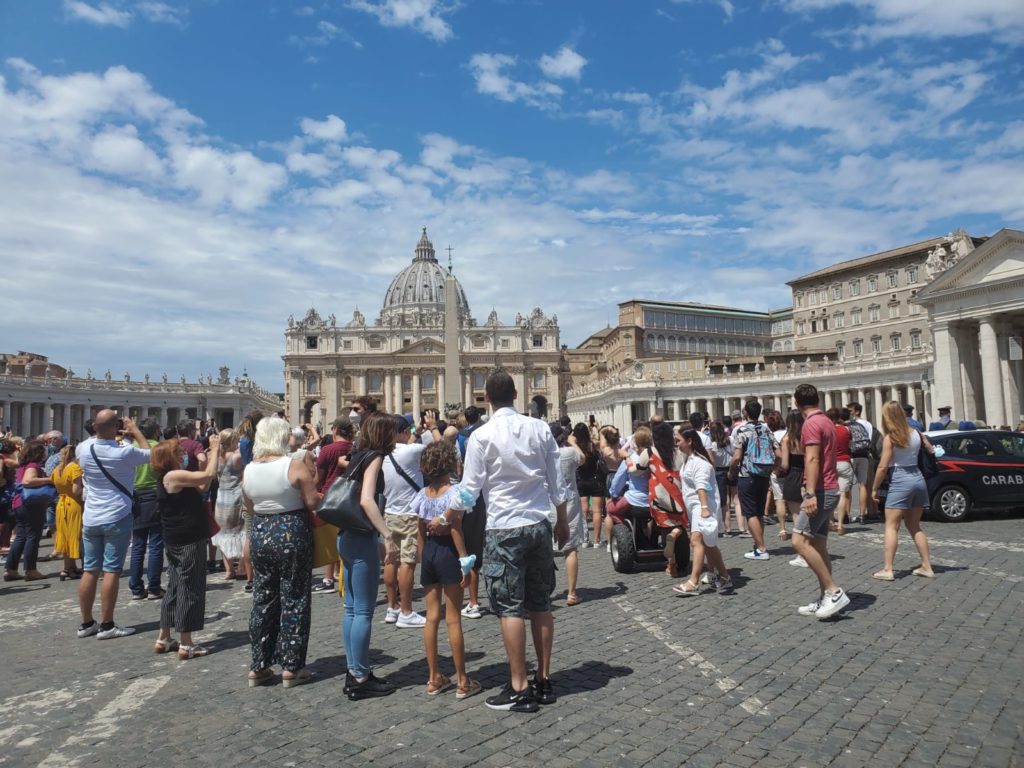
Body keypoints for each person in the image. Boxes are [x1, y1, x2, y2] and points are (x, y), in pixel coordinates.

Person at [443, 369, 568, 713]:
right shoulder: (541, 428)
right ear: (516, 394)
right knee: (540, 602)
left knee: (510, 607)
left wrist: (450, 515)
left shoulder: (482, 436)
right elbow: (557, 482)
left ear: (486, 398)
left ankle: (519, 686)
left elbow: (469, 491)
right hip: (539, 523)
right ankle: (543, 680)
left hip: (503, 528)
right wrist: (562, 522)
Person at [242, 416, 320, 687]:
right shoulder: (293, 465)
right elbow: (311, 502)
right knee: (295, 596)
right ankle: (291, 666)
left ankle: (259, 665)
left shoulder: (249, 469)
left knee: (263, 598)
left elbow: (250, 507)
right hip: (291, 530)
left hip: (261, 533)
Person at [337, 411, 400, 700]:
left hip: (346, 537)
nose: (397, 437)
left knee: (351, 609)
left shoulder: (358, 455)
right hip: (362, 539)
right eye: (393, 432)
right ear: (383, 434)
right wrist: (387, 535)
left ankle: (355, 670)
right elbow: (366, 500)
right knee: (362, 610)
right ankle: (360, 678)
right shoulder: (374, 457)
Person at [412, 441, 481, 699]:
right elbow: (455, 529)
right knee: (453, 618)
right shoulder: (455, 494)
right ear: (450, 463)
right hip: (449, 554)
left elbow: (419, 532)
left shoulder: (421, 495)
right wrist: (465, 562)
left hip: (429, 553)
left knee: (431, 617)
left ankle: (433, 678)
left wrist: (423, 559)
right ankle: (462, 680)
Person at [77, 412, 153, 639]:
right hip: (117, 515)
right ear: (115, 427)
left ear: (93, 426)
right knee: (111, 570)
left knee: (90, 569)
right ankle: (107, 625)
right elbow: (149, 452)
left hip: (90, 517)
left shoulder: (82, 449)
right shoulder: (125, 452)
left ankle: (86, 623)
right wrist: (135, 430)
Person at [150, 434, 221, 658]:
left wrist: (207, 461)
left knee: (175, 585)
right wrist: (216, 449)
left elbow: (202, 485)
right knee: (191, 587)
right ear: (169, 457)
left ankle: (164, 637)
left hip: (176, 537)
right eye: (179, 453)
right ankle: (186, 643)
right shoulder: (173, 475)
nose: (183, 455)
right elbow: (209, 474)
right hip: (188, 537)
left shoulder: (172, 477)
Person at [792, 385, 850, 619]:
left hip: (821, 490)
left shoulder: (811, 424)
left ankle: (833, 590)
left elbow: (813, 458)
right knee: (818, 545)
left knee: (799, 542)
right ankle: (825, 596)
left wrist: (810, 493)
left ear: (797, 403)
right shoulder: (826, 421)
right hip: (831, 487)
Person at [870, 401, 935, 581]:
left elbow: (883, 466)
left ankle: (888, 568)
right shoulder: (917, 433)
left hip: (900, 479)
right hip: (918, 478)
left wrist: (874, 488)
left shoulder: (891, 438)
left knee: (891, 526)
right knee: (915, 526)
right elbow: (931, 450)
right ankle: (927, 566)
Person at [672, 429, 731, 596]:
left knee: (696, 540)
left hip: (702, 506)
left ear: (689, 441)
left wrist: (704, 508)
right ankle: (725, 576)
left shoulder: (700, 463)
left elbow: (702, 486)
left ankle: (693, 582)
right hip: (695, 506)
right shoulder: (687, 460)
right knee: (709, 544)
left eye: (678, 440)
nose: (676, 444)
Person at [381, 414, 427, 628]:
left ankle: (392, 608)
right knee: (407, 563)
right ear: (402, 432)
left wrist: (413, 433)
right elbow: (440, 445)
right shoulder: (412, 451)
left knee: (391, 560)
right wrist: (430, 428)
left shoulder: (382, 454)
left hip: (389, 513)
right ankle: (407, 611)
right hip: (409, 515)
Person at [729, 400, 778, 561]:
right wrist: (776, 467)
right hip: (764, 474)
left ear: (745, 413)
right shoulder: (766, 429)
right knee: (758, 512)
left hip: (747, 474)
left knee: (750, 513)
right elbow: (778, 452)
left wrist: (731, 471)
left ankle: (762, 548)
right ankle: (758, 545)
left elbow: (737, 457)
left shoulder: (742, 430)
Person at [5, 439, 56, 581]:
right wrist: (48, 480)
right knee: (33, 536)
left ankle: (11, 568)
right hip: (30, 505)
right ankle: (30, 569)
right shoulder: (33, 465)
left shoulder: (22, 465)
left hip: (19, 503)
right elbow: (28, 481)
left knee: (21, 536)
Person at [128, 419, 164, 600]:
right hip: (154, 495)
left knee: (138, 544)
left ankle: (135, 587)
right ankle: (154, 587)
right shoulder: (158, 447)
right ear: (156, 431)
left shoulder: (130, 448)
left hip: (135, 496)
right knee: (156, 544)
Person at [550, 421, 585, 605]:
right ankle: (572, 593)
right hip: (569, 502)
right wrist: (573, 442)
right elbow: (583, 458)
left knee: (544, 550)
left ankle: (543, 593)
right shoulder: (570, 453)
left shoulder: (544, 455)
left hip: (548, 504)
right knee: (570, 549)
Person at [212, 429, 245, 580]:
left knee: (223, 533)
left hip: (221, 496)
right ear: (232, 441)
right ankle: (242, 567)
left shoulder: (216, 456)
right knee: (242, 532)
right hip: (235, 496)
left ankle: (229, 569)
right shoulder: (236, 457)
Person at [571, 423, 606, 550]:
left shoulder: (574, 448)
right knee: (597, 511)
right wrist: (597, 428)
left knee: (583, 511)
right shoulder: (593, 444)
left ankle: (584, 539)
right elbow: (603, 443)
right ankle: (597, 540)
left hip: (581, 480)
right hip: (595, 480)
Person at [51, 443, 83, 580]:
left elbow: (53, 483)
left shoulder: (57, 469)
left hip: (61, 504)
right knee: (75, 535)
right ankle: (71, 568)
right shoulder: (75, 468)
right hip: (73, 504)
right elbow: (76, 491)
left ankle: (68, 567)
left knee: (64, 536)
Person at [778, 411, 806, 567]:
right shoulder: (806, 438)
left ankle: (802, 555)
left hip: (793, 476)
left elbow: (785, 465)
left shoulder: (787, 439)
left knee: (796, 517)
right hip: (806, 475)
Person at [828, 408, 854, 535]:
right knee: (843, 494)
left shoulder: (827, 430)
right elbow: (850, 446)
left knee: (831, 493)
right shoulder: (846, 430)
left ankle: (831, 521)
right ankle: (840, 525)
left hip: (830, 463)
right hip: (844, 462)